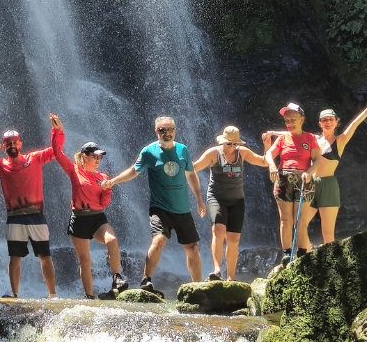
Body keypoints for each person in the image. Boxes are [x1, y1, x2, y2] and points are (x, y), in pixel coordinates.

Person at [102, 115, 206, 293]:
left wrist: (199, 199)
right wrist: (113, 181)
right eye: (162, 130)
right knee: (158, 240)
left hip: (182, 208)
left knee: (193, 248)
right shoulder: (149, 151)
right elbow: (134, 171)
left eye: (170, 129)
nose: (167, 133)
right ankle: (146, 280)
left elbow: (191, 175)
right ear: (156, 131)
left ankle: (197, 288)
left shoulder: (183, 150)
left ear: (175, 130)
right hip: (160, 207)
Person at [0, 113, 63, 298]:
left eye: (15, 142)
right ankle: (15, 295)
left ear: (20, 144)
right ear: (4, 146)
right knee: (14, 258)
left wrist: (57, 130)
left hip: (36, 214)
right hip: (14, 216)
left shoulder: (35, 158)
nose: (12, 145)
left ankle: (53, 295)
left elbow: (56, 151)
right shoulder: (0, 165)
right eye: (8, 143)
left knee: (45, 257)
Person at [53, 123, 129, 299]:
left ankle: (116, 277)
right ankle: (89, 297)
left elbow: (104, 203)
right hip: (79, 219)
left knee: (112, 240)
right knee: (85, 261)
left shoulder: (103, 177)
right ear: (84, 156)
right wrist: (57, 131)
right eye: (95, 156)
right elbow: (57, 152)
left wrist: (108, 188)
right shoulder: (74, 170)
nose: (98, 159)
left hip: (97, 218)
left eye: (100, 157)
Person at [294, 100, 367, 245]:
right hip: (310, 185)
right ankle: (306, 257)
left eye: (331, 119)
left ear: (336, 122)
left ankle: (330, 266)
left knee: (327, 234)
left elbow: (355, 124)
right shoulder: (313, 139)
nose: (328, 122)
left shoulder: (340, 141)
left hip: (328, 186)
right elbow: (293, 134)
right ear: (320, 123)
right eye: (324, 120)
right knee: (298, 226)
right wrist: (272, 133)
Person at [191, 125, 267, 281]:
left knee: (234, 239)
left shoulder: (242, 153)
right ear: (222, 142)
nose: (231, 147)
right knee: (218, 231)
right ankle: (217, 269)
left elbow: (264, 162)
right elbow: (193, 168)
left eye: (234, 144)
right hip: (216, 198)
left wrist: (267, 144)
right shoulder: (213, 153)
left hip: (237, 200)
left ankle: (231, 276)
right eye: (228, 144)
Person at [263, 102, 320, 266]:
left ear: (302, 119)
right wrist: (272, 166)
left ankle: (302, 255)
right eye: (287, 120)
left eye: (292, 119)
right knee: (285, 220)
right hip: (284, 179)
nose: (289, 123)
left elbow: (317, 160)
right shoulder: (282, 138)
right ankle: (287, 254)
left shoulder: (310, 138)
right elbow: (269, 154)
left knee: (301, 220)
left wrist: (309, 172)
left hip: (304, 179)